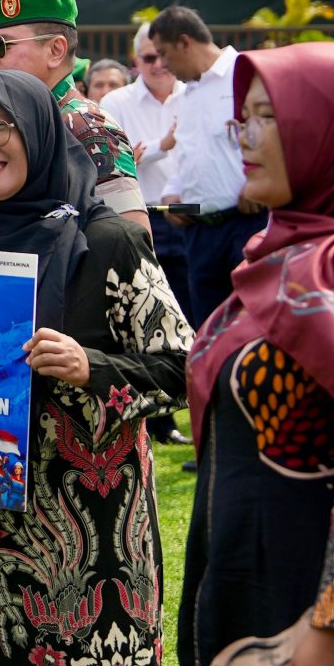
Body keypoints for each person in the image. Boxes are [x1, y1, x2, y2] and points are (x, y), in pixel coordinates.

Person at [0, 70, 192, 666]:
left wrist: (88, 366)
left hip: (88, 548)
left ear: (39, 131)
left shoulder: (107, 240)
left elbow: (185, 367)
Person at [178, 43, 334, 666]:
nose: (244, 137)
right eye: (241, 119)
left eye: (267, 118)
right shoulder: (281, 256)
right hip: (253, 589)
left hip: (327, 631)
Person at [0, 0, 149, 233]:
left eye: (1, 45)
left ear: (55, 50)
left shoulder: (88, 128)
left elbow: (132, 244)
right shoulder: (16, 123)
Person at [100, 24, 194, 446]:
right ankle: (155, 420)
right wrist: (164, 144)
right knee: (146, 320)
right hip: (139, 218)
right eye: (148, 58)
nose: (158, 65)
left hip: (189, 218)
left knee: (190, 318)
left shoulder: (191, 94)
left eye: (162, 56)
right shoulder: (114, 102)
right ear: (135, 61)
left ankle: (189, 411)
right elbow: (123, 158)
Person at [151, 7, 268, 335]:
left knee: (253, 321)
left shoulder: (244, 73)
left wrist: (257, 181)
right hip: (199, 232)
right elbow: (190, 154)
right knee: (209, 329)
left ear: (184, 42)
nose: (161, 65)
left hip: (247, 223)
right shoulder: (187, 93)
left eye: (163, 53)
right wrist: (172, 192)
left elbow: (281, 137)